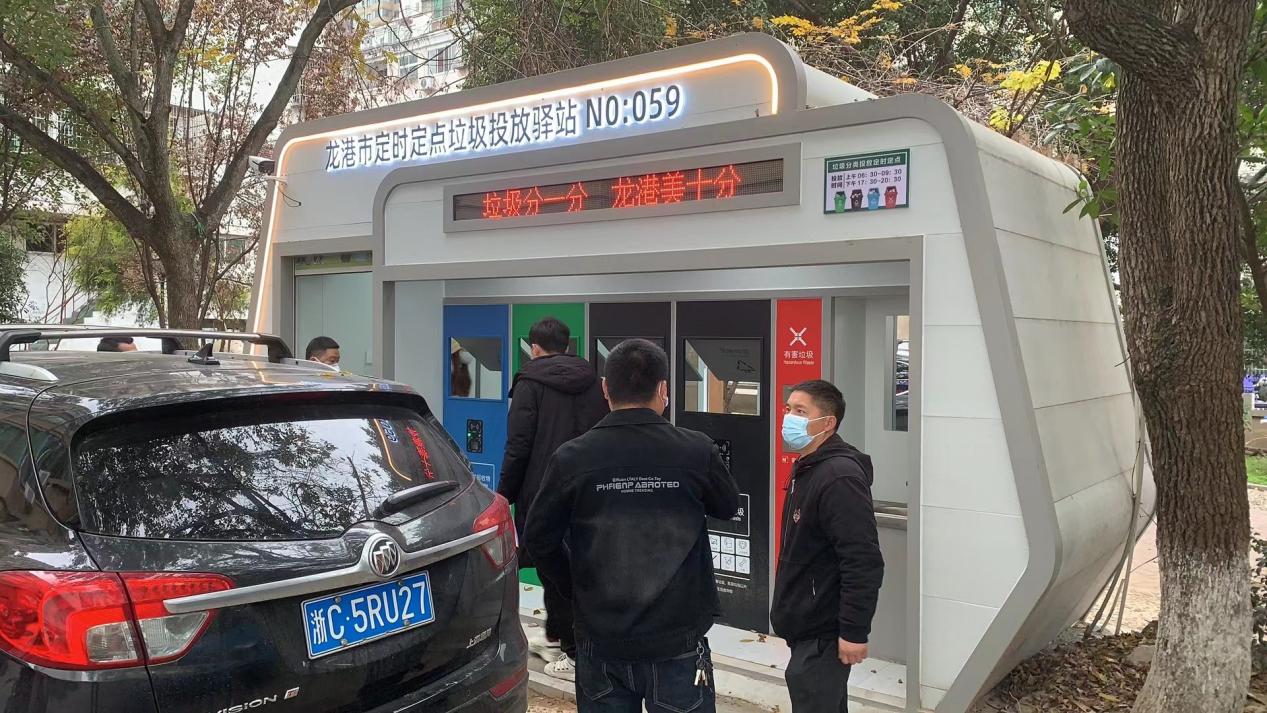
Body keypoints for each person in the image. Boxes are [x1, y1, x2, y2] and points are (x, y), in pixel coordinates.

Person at [524, 339, 740, 712]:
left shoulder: (572, 457)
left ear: (605, 389)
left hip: (600, 638)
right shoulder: (696, 450)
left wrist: (574, 585)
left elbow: (538, 538)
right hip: (677, 638)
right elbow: (727, 505)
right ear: (663, 389)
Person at [497, 317, 607, 678]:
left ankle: (573, 652)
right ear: (567, 345)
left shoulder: (529, 384)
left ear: (534, 348)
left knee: (554, 568)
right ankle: (559, 637)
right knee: (575, 566)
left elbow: (519, 445)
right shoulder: (593, 381)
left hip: (544, 491)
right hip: (589, 490)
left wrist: (504, 494)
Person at [771, 380, 884, 713]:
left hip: (822, 634)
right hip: (806, 631)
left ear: (828, 422)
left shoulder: (838, 477)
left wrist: (853, 631)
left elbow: (862, 560)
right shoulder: (810, 468)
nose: (789, 418)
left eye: (801, 411)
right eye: (789, 409)